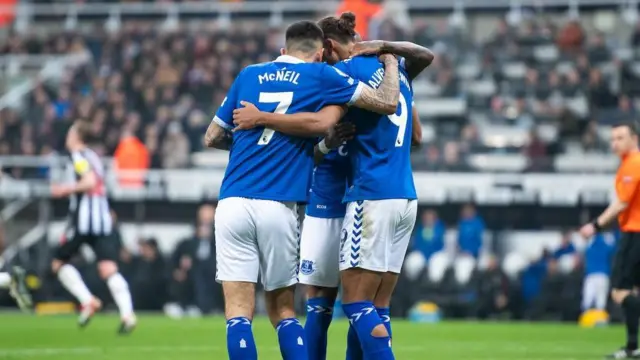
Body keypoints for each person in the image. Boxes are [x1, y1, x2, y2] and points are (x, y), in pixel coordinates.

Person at [232, 13, 433, 360]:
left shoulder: (336, 76)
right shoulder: (395, 70)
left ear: (326, 47)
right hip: (400, 193)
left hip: (351, 197)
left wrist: (264, 119)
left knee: (329, 304)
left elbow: (318, 122)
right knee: (374, 303)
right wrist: (386, 52)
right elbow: (416, 135)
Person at [50, 120, 136, 334]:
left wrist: (64, 189)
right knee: (108, 268)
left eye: (70, 132)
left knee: (58, 264)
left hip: (83, 221)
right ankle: (127, 314)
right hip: (102, 221)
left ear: (76, 135)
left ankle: (88, 301)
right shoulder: (94, 156)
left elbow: (89, 182)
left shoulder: (78, 157)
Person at [579, 122, 640, 359]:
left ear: (634, 139)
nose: (615, 143)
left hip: (635, 233)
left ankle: (633, 346)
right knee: (633, 290)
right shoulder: (628, 163)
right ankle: (633, 347)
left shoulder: (633, 164)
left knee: (619, 291)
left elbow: (621, 203)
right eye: (613, 138)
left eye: (620, 138)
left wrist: (594, 225)